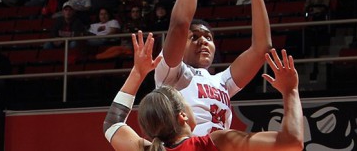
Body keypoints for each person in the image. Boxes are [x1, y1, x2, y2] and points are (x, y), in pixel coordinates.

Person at [155, 0, 278, 135]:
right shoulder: (170, 74)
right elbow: (179, 24)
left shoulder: (222, 82)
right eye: (194, 37)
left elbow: (261, 48)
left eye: (209, 38)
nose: (203, 40)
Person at [103, 32, 304, 151]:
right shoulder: (213, 142)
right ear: (182, 115)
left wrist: (137, 73)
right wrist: (291, 91)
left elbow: (113, 123)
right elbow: (293, 142)